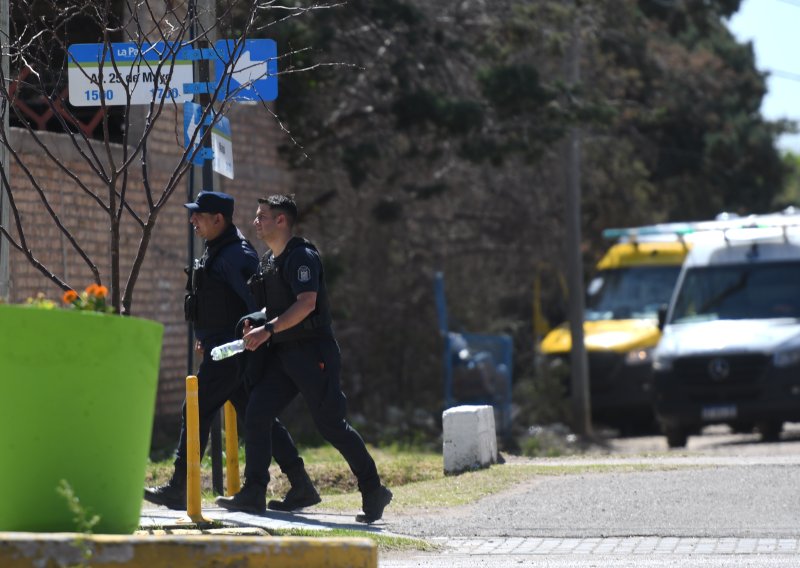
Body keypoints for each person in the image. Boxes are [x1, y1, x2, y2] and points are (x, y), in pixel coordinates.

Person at [215, 194, 392, 523]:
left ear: (280, 220)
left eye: (261, 217)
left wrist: (268, 328)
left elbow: (306, 303)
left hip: (314, 353)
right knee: (257, 412)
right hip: (284, 353)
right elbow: (276, 307)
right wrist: (256, 321)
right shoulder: (268, 261)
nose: (255, 222)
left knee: (331, 426)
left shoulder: (302, 257)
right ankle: (255, 492)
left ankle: (373, 489)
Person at [144, 191, 320, 513]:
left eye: (198, 215)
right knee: (258, 414)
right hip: (221, 348)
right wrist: (207, 336)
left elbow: (257, 304)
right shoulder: (217, 249)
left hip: (231, 353)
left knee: (193, 409)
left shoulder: (236, 256)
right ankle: (300, 483)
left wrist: (245, 340)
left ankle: (179, 488)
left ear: (218, 219)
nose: (192, 220)